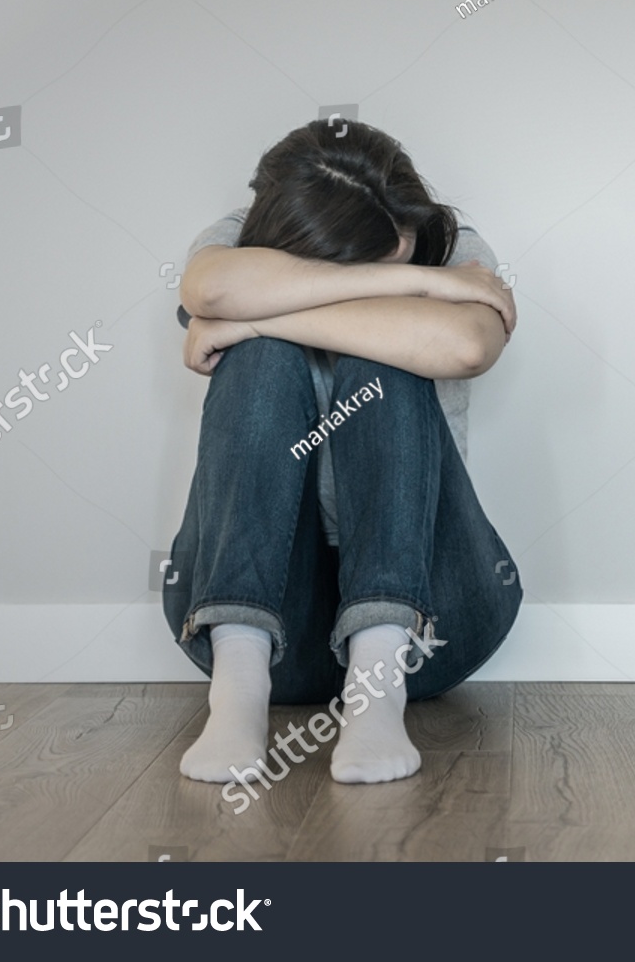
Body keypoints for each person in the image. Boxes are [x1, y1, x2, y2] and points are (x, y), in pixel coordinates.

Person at [162, 119, 522, 785]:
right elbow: (208, 290)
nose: (405, 271)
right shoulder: (233, 241)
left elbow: (468, 347)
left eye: (402, 264)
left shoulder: (456, 245)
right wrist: (425, 290)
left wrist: (253, 316)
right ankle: (236, 694)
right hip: (274, 628)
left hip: (434, 622)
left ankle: (375, 694)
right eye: (360, 269)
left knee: (376, 364)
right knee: (261, 360)